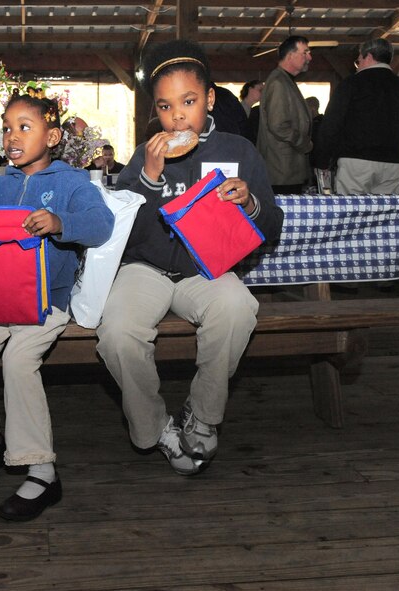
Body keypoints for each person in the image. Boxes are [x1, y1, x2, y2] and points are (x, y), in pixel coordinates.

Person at [98, 39, 283, 475]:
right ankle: (156, 426)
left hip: (206, 269)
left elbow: (271, 225)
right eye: (165, 106)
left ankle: (202, 415)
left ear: (210, 99)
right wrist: (149, 179)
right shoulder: (147, 155)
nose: (177, 115)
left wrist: (251, 204)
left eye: (189, 101)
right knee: (118, 332)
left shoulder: (239, 150)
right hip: (146, 268)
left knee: (238, 308)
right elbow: (124, 230)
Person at [0, 92, 113, 520]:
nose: (12, 136)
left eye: (25, 127)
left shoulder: (72, 182)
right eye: (7, 128)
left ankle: (41, 470)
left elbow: (102, 225)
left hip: (46, 300)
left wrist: (61, 223)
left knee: (19, 361)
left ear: (54, 135)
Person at [313, 38, 399, 194]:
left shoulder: (351, 84)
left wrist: (321, 160)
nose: (357, 66)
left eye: (358, 60)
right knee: (384, 215)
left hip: (356, 162)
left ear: (368, 56)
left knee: (351, 214)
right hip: (392, 164)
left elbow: (331, 125)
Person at [257, 35, 313, 194]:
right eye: (305, 52)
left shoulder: (284, 81)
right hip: (282, 171)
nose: (309, 57)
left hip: (286, 170)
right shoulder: (278, 83)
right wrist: (305, 143)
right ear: (290, 55)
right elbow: (278, 125)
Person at [239, 79, 263, 144]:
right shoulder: (241, 109)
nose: (263, 93)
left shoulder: (248, 109)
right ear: (250, 89)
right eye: (260, 90)